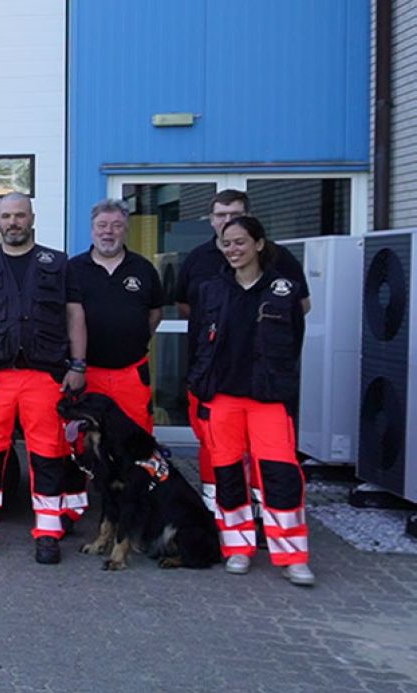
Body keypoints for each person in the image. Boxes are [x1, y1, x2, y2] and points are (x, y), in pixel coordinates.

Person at [0, 192, 86, 564]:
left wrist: (78, 364)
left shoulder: (56, 264)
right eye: (6, 216)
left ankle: (48, 533)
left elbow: (74, 314)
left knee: (47, 455)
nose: (13, 222)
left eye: (20, 216)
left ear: (32, 219)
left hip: (44, 376)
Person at [186, 216, 314, 586]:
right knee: (227, 475)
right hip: (223, 398)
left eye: (240, 242)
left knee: (281, 476)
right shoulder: (211, 290)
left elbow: (293, 343)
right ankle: (237, 548)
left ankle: (292, 556)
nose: (233, 250)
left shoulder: (283, 290)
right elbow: (198, 342)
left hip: (268, 399)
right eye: (227, 244)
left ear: (258, 244)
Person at [176, 189, 310, 512]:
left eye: (234, 215)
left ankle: (267, 517)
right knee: (219, 455)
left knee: (273, 460)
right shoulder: (197, 260)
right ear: (211, 220)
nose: (227, 222)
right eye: (221, 216)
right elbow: (185, 307)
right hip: (215, 379)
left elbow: (298, 308)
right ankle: (220, 517)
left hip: (266, 383)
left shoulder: (281, 260)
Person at [69, 199, 163, 433]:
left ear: (126, 229)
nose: (108, 232)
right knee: (87, 440)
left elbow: (155, 314)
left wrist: (133, 337)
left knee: (136, 436)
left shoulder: (143, 268)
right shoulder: (73, 269)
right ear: (92, 230)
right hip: (87, 373)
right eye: (102, 225)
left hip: (131, 373)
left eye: (116, 225)